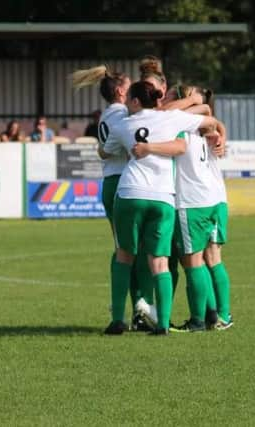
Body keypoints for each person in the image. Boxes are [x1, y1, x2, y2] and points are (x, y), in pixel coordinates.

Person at [101, 80, 223, 335]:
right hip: (163, 197)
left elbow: (105, 152)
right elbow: (208, 122)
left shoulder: (124, 124)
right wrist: (216, 132)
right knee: (159, 261)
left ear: (135, 101)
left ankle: (117, 321)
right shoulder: (172, 119)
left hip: (130, 193)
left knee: (124, 256)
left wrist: (136, 147)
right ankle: (164, 325)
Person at [132, 84, 232, 332]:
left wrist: (193, 103)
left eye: (170, 96)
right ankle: (217, 315)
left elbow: (166, 111)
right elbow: (212, 120)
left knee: (193, 262)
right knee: (211, 259)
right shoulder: (200, 124)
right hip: (212, 198)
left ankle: (199, 320)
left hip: (191, 201)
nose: (163, 99)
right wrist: (205, 111)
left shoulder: (178, 122)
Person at [71, 65, 150, 330]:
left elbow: (104, 150)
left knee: (129, 248)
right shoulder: (121, 115)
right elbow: (123, 146)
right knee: (128, 250)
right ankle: (127, 312)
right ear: (120, 91)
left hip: (114, 182)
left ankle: (132, 310)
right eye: (129, 88)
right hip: (121, 183)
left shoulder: (108, 114)